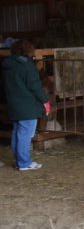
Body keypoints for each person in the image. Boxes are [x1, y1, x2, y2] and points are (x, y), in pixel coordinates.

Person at [1, 40, 49, 171]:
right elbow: (35, 86)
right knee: (25, 135)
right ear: (28, 50)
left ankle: (19, 161)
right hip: (27, 106)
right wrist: (45, 100)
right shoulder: (27, 66)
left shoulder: (7, 66)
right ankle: (24, 163)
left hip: (14, 105)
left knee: (18, 133)